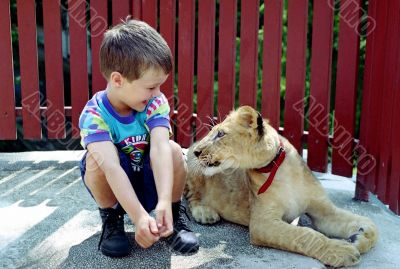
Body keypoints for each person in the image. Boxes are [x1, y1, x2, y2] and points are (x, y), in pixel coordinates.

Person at [78, 19, 199, 257]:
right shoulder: (94, 115)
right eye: (151, 87)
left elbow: (160, 149)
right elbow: (111, 169)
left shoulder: (154, 103)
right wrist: (139, 217)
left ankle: (172, 216)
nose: (158, 94)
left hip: (149, 180)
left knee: (174, 151)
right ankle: (112, 219)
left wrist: (164, 200)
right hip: (116, 187)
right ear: (118, 80)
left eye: (160, 86)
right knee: (94, 162)